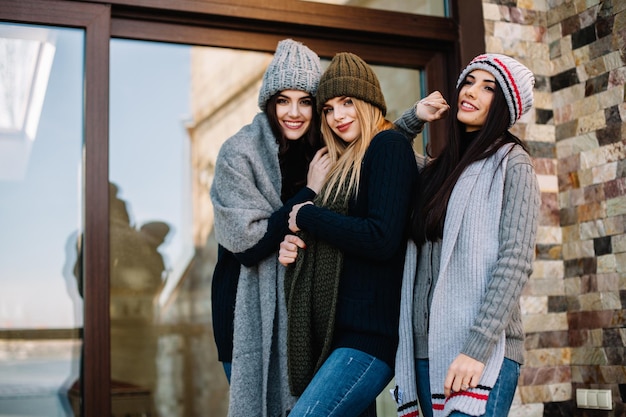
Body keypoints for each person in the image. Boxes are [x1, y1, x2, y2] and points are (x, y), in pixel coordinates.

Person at [210, 39, 440, 417]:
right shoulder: (241, 152)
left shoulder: (326, 147)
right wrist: (308, 196)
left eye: (306, 101)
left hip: (326, 325)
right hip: (250, 320)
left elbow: (376, 154)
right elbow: (248, 244)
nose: (294, 112)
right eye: (283, 100)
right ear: (269, 103)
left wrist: (410, 119)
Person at [277, 52, 446, 417]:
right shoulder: (346, 163)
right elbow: (335, 240)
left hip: (370, 337)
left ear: (369, 102)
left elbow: (380, 237)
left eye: (348, 102)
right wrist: (296, 248)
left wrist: (309, 217)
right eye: (329, 108)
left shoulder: (388, 147)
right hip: (337, 336)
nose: (338, 116)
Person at [394, 53, 540, 417]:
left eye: (488, 87)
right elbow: (380, 153)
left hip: (479, 351)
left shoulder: (512, 163)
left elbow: (515, 263)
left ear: (505, 105)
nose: (470, 91)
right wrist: (413, 119)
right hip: (422, 355)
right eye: (469, 82)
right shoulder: (433, 172)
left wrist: (475, 350)